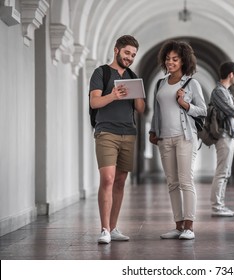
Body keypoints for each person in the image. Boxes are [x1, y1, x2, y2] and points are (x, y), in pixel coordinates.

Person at [89, 35, 145, 244]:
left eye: (133, 55)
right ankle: (104, 229)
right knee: (108, 179)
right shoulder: (101, 73)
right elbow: (94, 102)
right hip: (106, 132)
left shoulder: (132, 75)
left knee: (120, 181)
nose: (129, 57)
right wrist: (113, 95)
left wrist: (137, 93)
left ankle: (113, 228)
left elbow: (140, 109)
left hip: (128, 133)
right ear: (116, 50)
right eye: (127, 53)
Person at [149, 40, 206, 240]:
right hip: (164, 138)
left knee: (185, 180)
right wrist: (153, 130)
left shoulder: (191, 83)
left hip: (185, 137)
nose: (170, 62)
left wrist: (184, 103)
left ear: (183, 61)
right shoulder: (160, 83)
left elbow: (203, 110)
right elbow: (156, 111)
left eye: (175, 59)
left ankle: (189, 227)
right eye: (167, 58)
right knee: (172, 182)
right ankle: (178, 225)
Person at [210, 62, 234, 217]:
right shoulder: (219, 92)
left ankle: (220, 205)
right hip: (224, 135)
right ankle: (217, 206)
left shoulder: (226, 92)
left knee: (226, 171)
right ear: (231, 74)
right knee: (222, 171)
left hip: (229, 135)